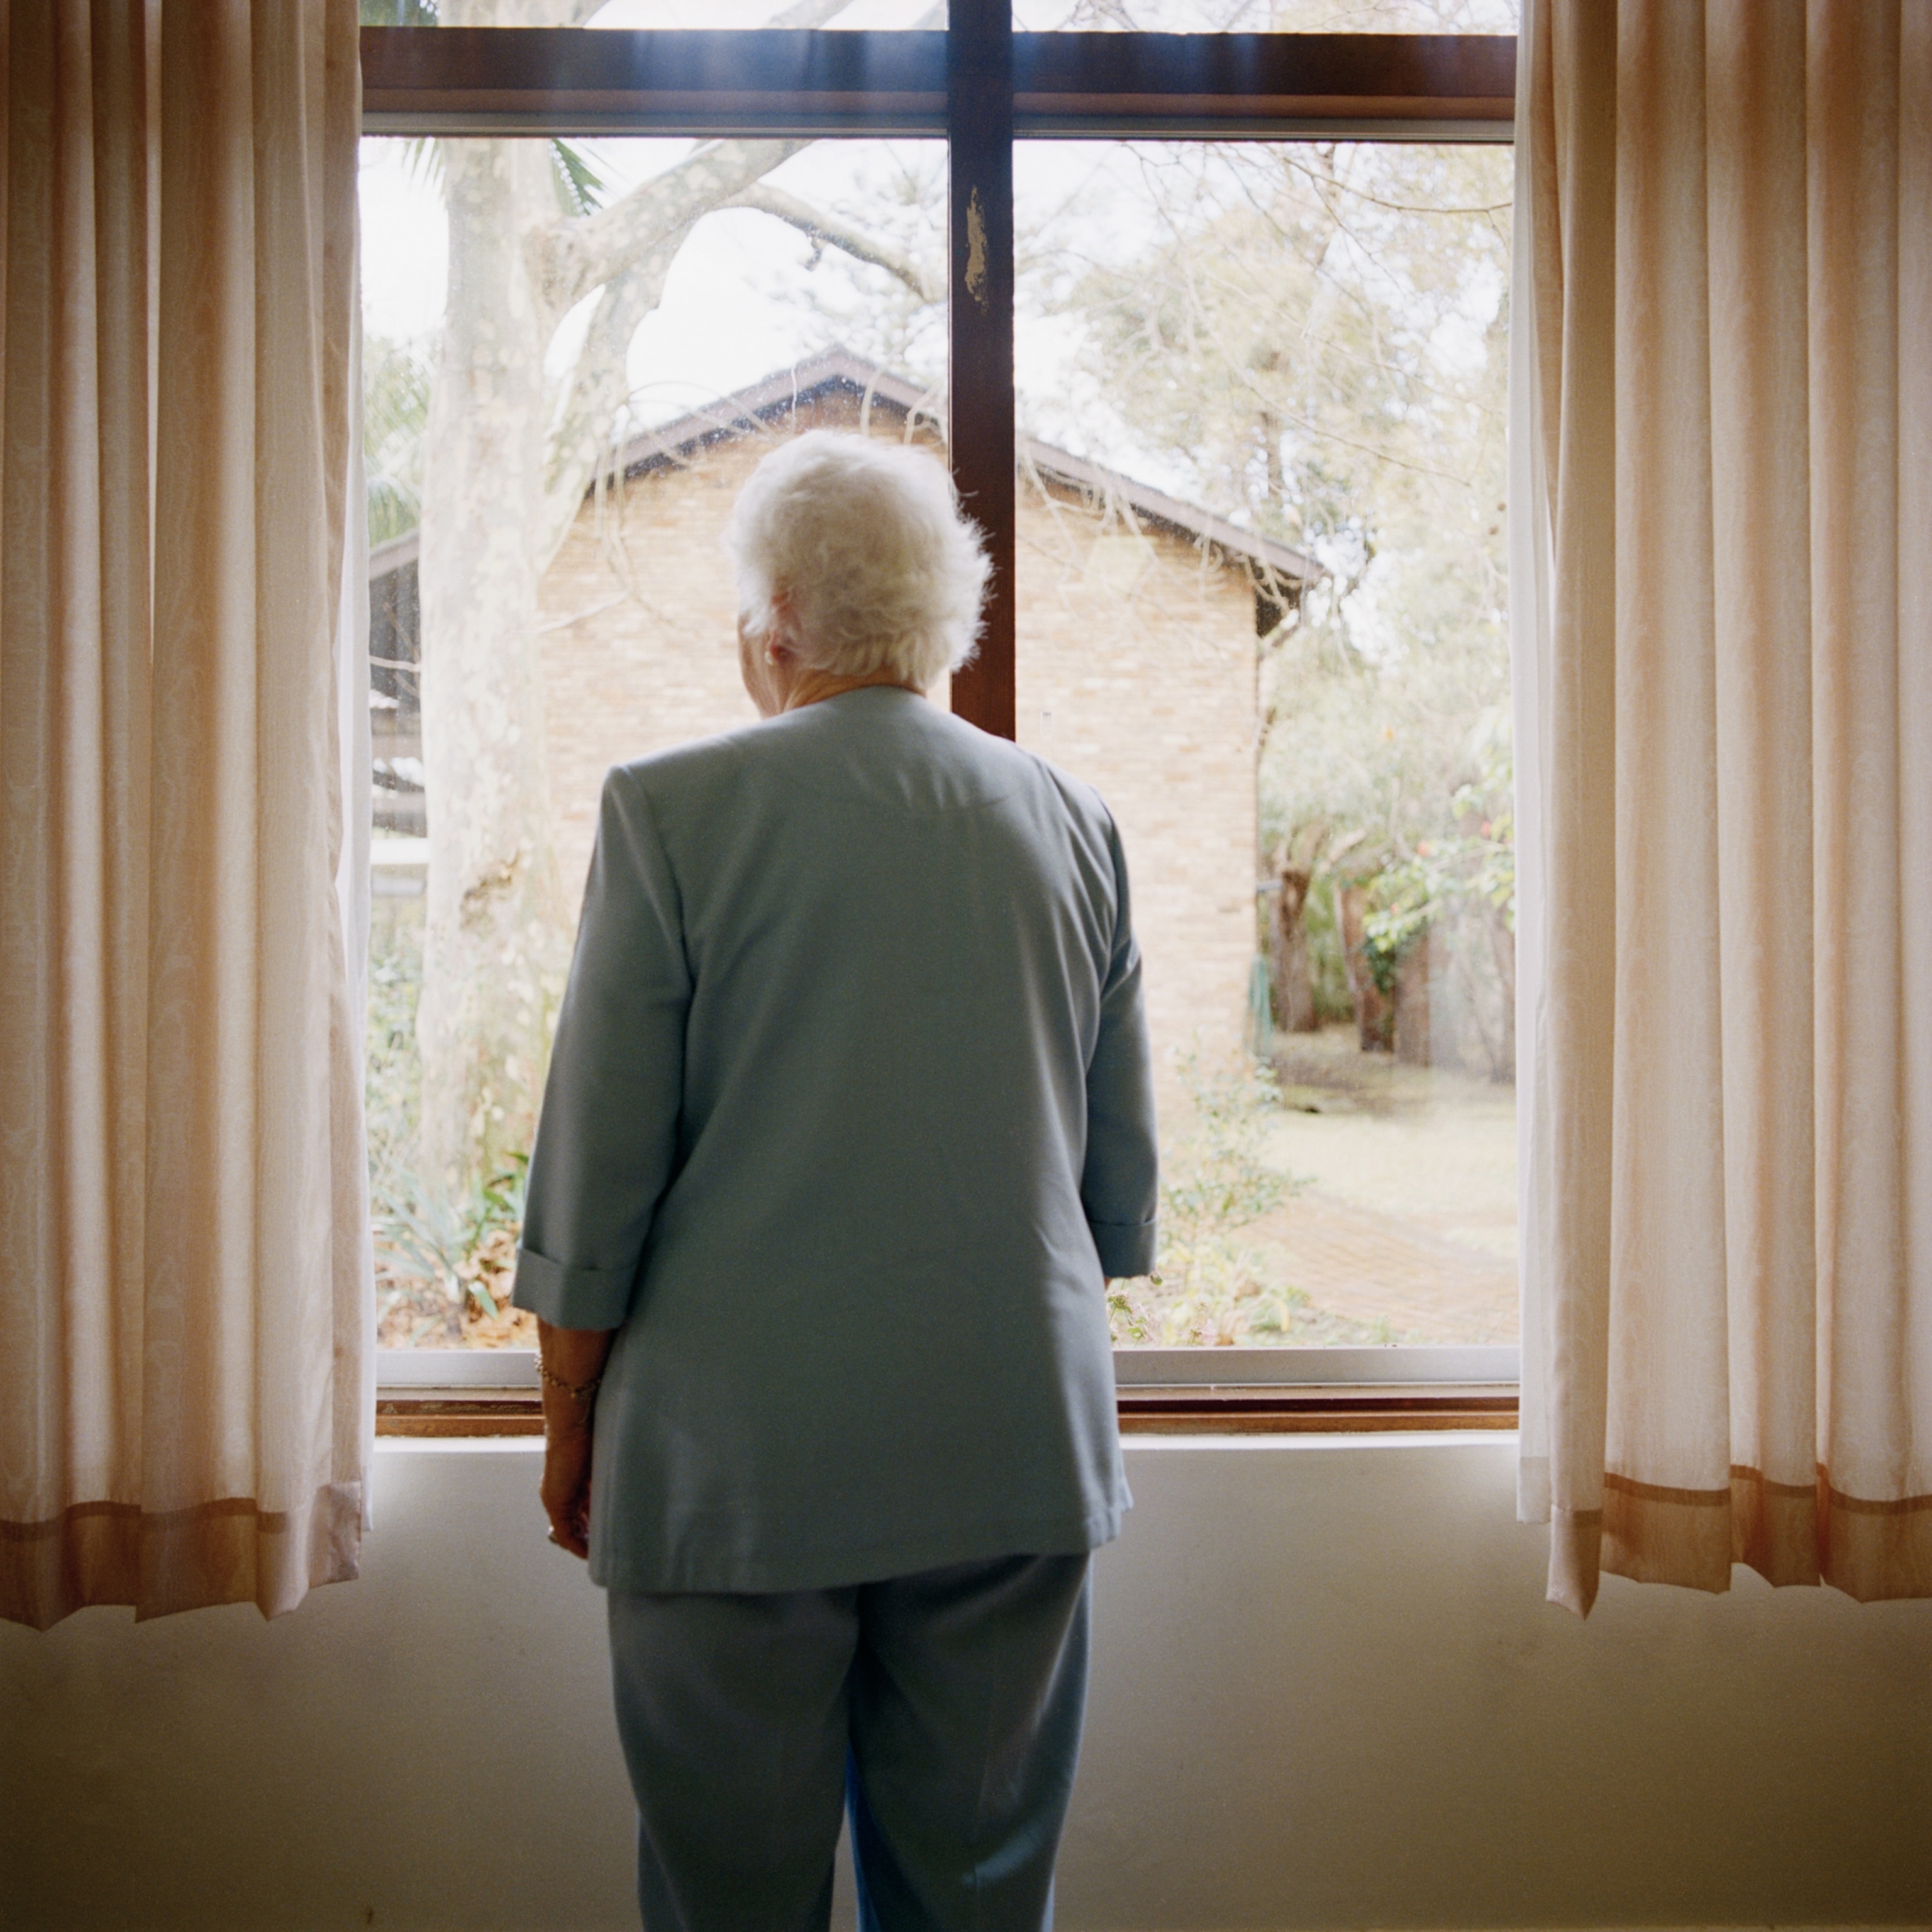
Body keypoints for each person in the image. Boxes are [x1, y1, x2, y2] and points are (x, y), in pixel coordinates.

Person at [513, 428, 1158, 1932]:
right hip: (1009, 1443)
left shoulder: (668, 813)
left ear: (772, 621)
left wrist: (566, 1422)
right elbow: (1112, 1200)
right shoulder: (1078, 823)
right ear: (943, 616)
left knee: (730, 1898)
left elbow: (595, 1176)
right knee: (980, 1898)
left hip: (737, 1464)